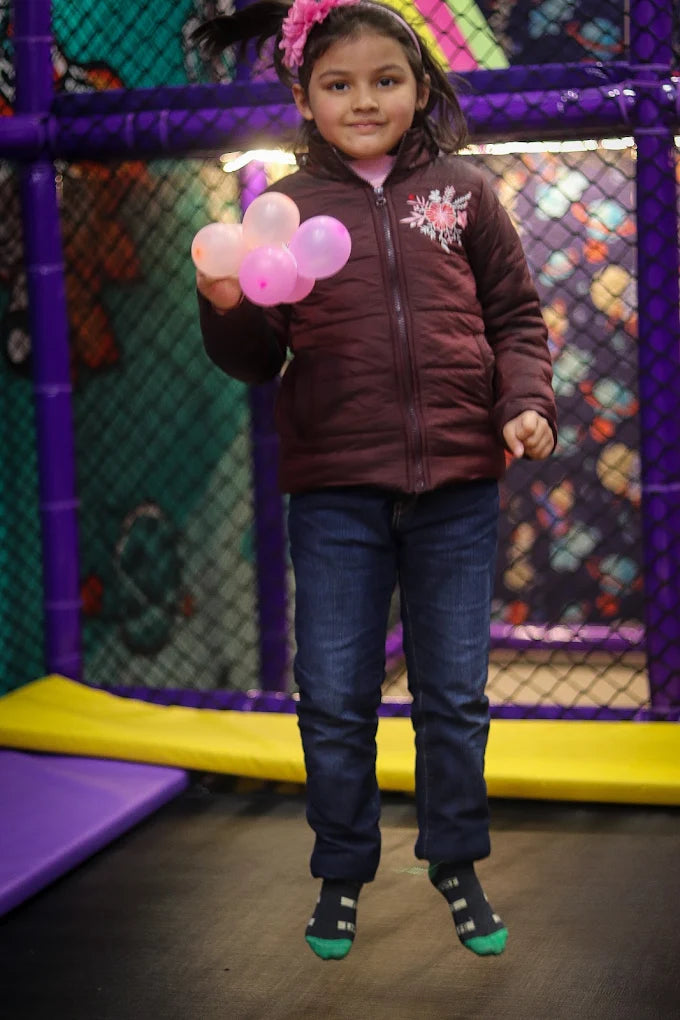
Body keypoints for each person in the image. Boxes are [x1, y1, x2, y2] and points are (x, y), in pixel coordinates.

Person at [194, 0, 556, 963]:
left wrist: (527, 403)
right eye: (339, 84)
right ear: (306, 99)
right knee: (335, 691)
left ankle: (455, 861)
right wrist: (225, 302)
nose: (364, 99)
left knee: (453, 691)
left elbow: (516, 318)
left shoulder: (466, 193)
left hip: (456, 487)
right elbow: (253, 358)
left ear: (421, 89)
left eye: (385, 80)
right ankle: (341, 870)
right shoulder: (287, 207)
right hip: (335, 491)